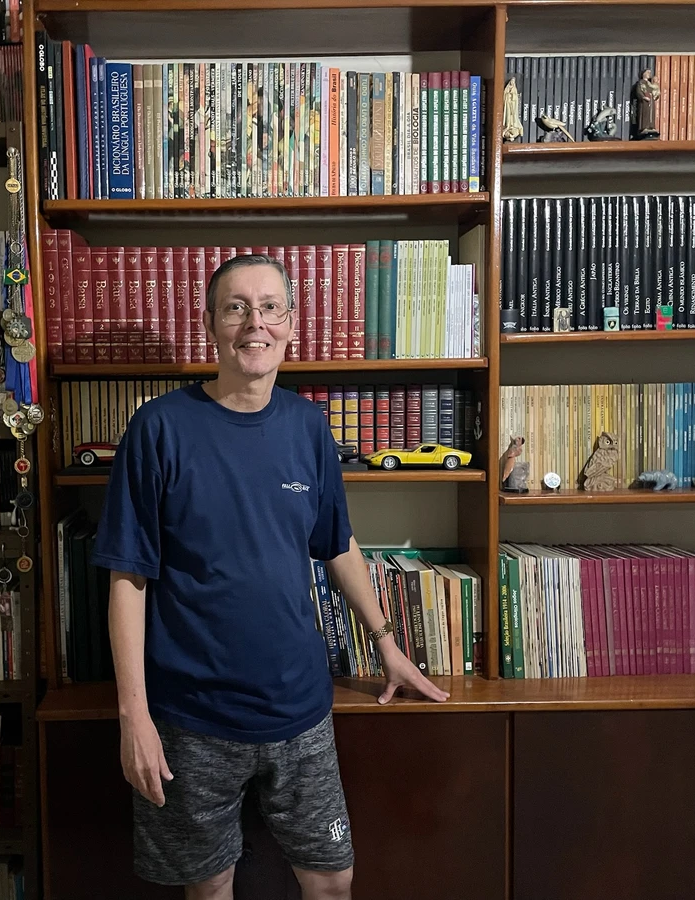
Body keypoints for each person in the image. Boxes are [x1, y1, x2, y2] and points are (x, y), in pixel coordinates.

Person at [91, 254, 449, 900]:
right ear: (209, 324)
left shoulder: (309, 428)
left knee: (333, 879)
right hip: (190, 718)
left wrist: (387, 645)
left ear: (291, 324)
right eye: (235, 307)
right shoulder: (158, 430)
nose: (253, 323)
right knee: (210, 889)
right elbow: (127, 578)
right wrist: (132, 716)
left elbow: (336, 543)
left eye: (269, 307)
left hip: (299, 709)